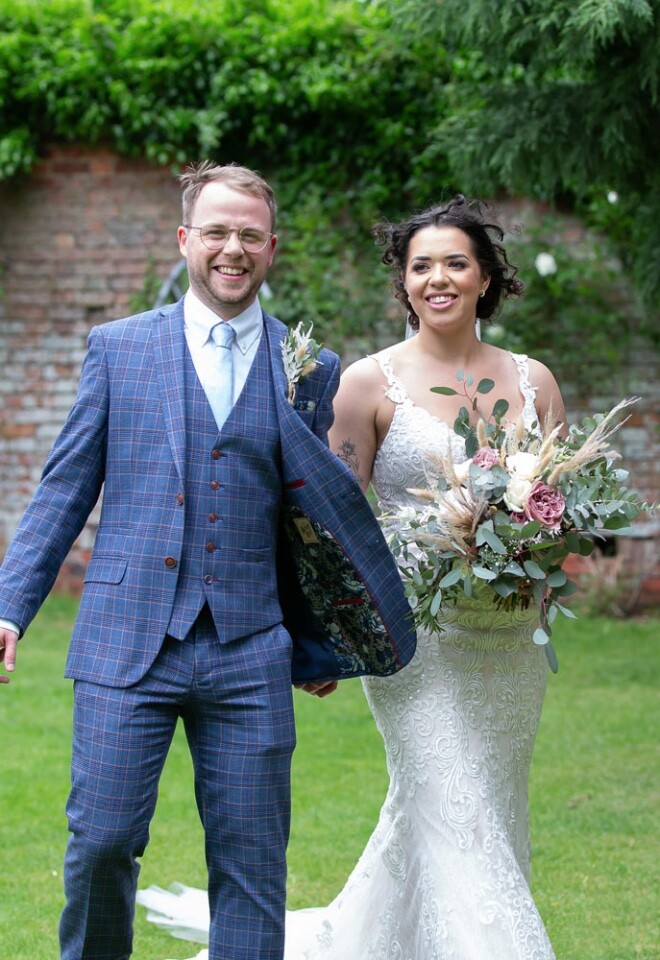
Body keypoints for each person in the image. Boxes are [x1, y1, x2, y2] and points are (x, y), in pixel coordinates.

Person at [0, 161, 416, 960]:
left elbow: (310, 516)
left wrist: (318, 637)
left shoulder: (309, 367)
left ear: (272, 248)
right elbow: (64, 489)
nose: (234, 249)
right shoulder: (119, 349)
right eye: (217, 232)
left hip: (249, 647)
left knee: (252, 864)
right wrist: (11, 606)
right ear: (186, 239)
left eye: (250, 236)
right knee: (101, 843)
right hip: (126, 640)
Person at [138, 195, 565, 959]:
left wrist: (538, 544)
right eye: (421, 266)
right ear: (403, 282)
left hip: (510, 645)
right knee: (457, 810)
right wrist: (321, 634)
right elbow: (323, 521)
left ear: (485, 276)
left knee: (483, 814)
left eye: (456, 263)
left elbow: (562, 506)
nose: (438, 278)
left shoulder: (535, 380)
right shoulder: (367, 384)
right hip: (416, 642)